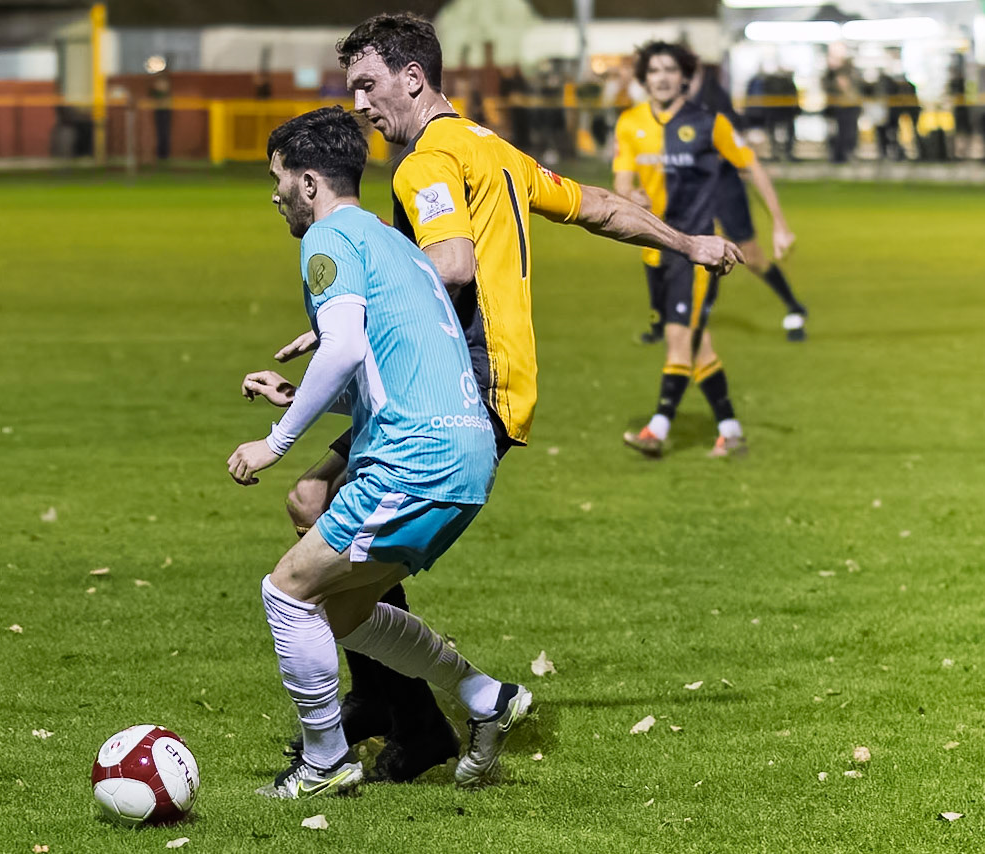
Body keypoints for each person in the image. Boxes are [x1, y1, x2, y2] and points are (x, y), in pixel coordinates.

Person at [272, 13, 742, 783]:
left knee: (319, 551)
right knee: (313, 503)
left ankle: (411, 715)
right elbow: (594, 203)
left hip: (461, 386)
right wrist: (687, 243)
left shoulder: (424, 165)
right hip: (502, 384)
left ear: (413, 78)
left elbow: (450, 265)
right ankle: (398, 706)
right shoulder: (490, 148)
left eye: (367, 84)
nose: (357, 103)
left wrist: (357, 309)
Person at [230, 106, 528, 798]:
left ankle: (324, 763)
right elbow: (391, 365)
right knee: (343, 613)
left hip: (414, 461)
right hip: (464, 452)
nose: (273, 194)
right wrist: (296, 395)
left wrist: (275, 444)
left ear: (308, 182)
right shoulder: (394, 244)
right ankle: (487, 697)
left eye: (277, 179)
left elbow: (341, 346)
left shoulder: (328, 238)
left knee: (286, 593)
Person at [614, 42, 759, 459]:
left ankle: (657, 430)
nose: (661, 77)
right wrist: (632, 198)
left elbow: (748, 164)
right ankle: (730, 431)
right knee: (698, 346)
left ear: (685, 76)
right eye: (653, 70)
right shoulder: (630, 123)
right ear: (644, 78)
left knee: (680, 341)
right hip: (655, 249)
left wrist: (778, 225)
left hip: (696, 251)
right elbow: (623, 183)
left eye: (669, 69)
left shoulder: (702, 124)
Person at [683, 62, 807, 342]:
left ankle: (794, 307)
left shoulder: (715, 113)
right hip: (694, 192)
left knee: (750, 257)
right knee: (701, 253)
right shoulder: (662, 115)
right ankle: (696, 317)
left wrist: (779, 223)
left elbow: (753, 166)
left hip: (724, 188)